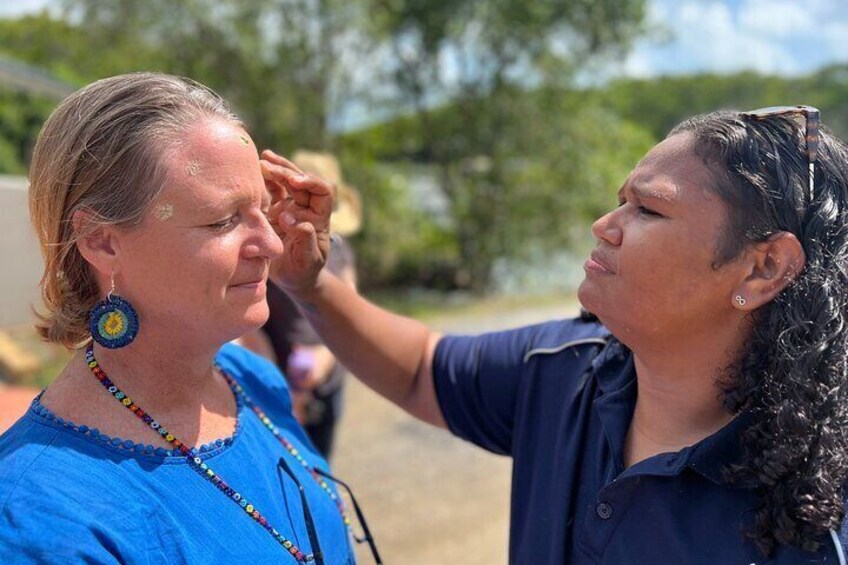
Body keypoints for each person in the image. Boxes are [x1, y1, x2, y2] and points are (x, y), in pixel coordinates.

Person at [263, 106, 848, 563]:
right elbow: (421, 368)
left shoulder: (821, 513)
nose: (604, 225)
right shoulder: (568, 369)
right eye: (620, 201)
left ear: (763, 267)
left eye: (648, 210)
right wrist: (312, 286)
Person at [0, 72, 374, 563]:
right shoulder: (44, 519)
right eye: (223, 220)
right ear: (101, 240)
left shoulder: (252, 382)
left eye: (262, 209)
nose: (273, 244)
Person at [241, 151, 360, 460]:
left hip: (328, 372)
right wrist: (285, 387)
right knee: (284, 461)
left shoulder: (340, 250)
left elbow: (352, 313)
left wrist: (326, 357)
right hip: (275, 375)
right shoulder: (269, 248)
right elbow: (250, 321)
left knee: (321, 461)